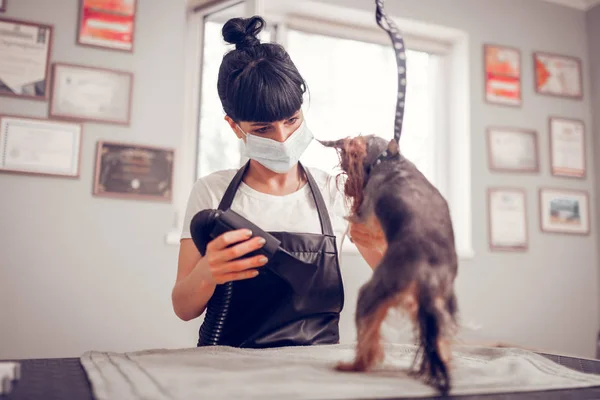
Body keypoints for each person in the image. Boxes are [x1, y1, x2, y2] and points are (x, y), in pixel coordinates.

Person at [171, 15, 385, 348]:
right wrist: (208, 271)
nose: (283, 138)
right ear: (234, 126)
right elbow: (183, 308)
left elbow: (398, 277)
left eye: (291, 120)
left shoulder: (335, 192)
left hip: (315, 372)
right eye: (262, 129)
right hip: (228, 369)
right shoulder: (212, 192)